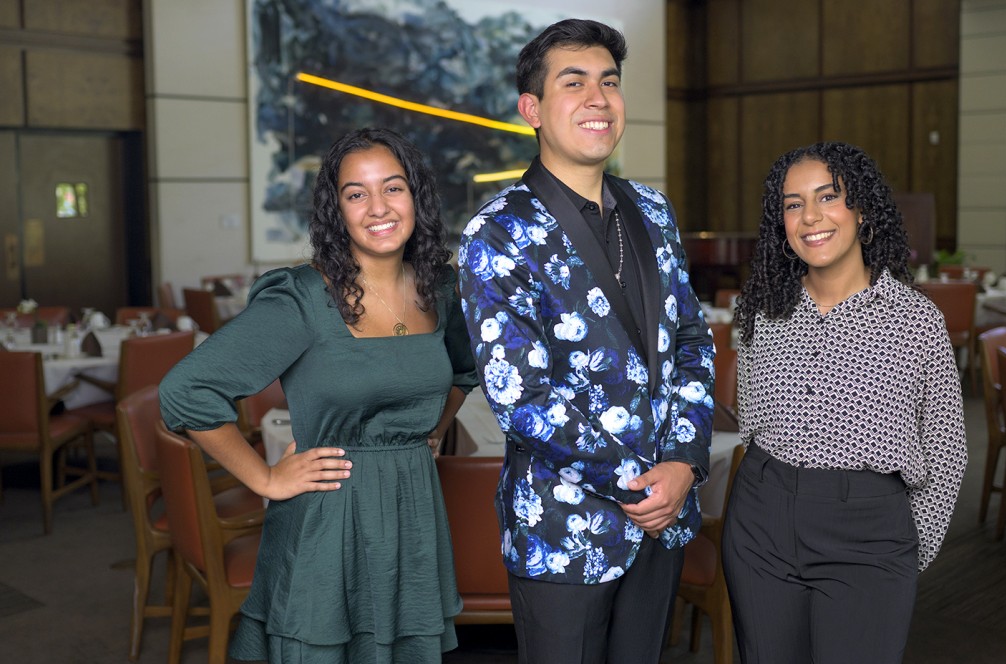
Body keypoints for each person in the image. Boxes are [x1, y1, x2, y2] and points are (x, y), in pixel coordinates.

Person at [159, 127, 478, 662]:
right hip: (330, 517)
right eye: (357, 194)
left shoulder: (439, 288)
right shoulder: (303, 299)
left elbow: (462, 372)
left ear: (416, 197)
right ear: (338, 210)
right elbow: (186, 391)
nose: (378, 207)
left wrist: (431, 430)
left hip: (413, 516)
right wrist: (263, 477)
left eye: (393, 188)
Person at [457, 18, 715, 664]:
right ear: (532, 110)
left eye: (609, 82)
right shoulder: (497, 234)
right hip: (561, 529)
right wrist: (641, 487)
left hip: (662, 516)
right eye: (573, 83)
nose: (598, 99)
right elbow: (522, 398)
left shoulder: (652, 213)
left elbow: (691, 339)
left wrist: (683, 463)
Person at [723, 141, 967, 663]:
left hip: (869, 531)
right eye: (792, 204)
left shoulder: (915, 321)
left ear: (861, 210)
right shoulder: (763, 313)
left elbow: (947, 447)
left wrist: (905, 547)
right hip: (760, 522)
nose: (810, 216)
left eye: (828, 196)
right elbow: (750, 417)